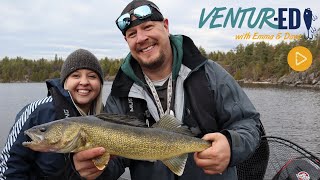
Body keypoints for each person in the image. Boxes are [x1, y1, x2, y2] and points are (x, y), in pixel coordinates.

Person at [73, 0, 262, 179]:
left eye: (148, 27)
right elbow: (117, 161)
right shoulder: (121, 93)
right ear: (126, 40)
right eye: (132, 34)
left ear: (165, 26)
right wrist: (95, 171)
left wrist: (230, 145)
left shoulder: (209, 73)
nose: (141, 38)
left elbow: (249, 124)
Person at [0, 48, 104, 179]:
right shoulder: (37, 111)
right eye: (76, 76)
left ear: (100, 84)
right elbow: (10, 167)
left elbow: (117, 162)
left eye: (92, 76)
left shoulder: (104, 116)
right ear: (65, 82)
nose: (84, 82)